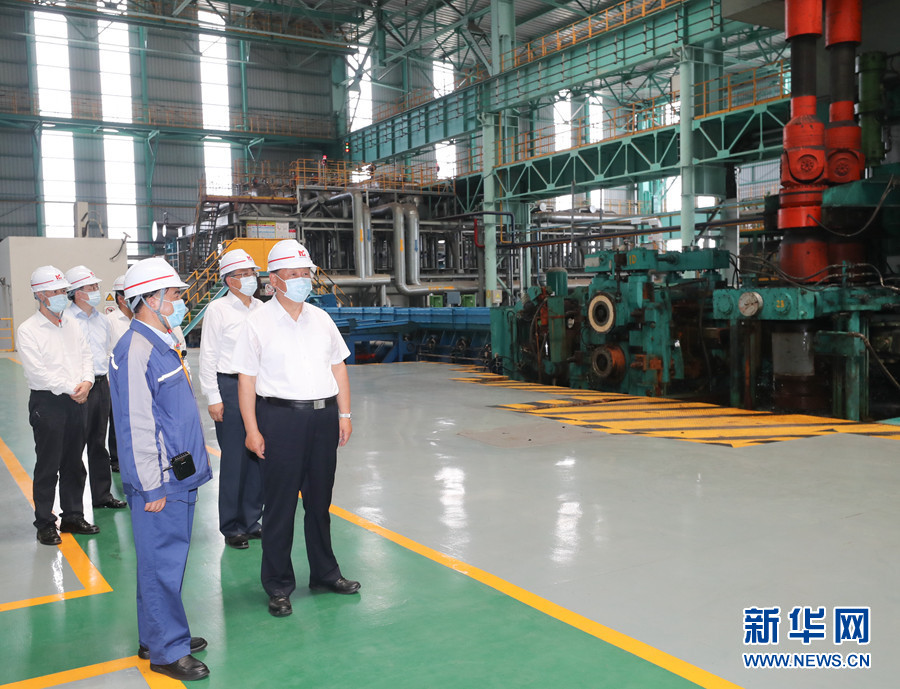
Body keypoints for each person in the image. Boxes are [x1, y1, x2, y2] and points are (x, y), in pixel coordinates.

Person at [231, 239, 358, 618]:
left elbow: (338, 366)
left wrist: (345, 414)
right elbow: (246, 380)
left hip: (323, 418)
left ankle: (325, 573)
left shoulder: (321, 318)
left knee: (319, 502)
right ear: (274, 280)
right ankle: (278, 584)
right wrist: (252, 430)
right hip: (280, 419)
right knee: (281, 506)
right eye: (294, 274)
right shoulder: (257, 322)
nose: (303, 279)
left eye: (306, 273)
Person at [109, 257, 212, 681]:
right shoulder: (136, 350)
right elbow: (135, 423)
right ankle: (167, 650)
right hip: (161, 480)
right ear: (149, 299)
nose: (179, 301)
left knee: (162, 560)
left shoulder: (162, 340)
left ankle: (157, 634)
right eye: (173, 295)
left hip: (178, 473)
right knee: (162, 563)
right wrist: (150, 486)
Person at [17, 266, 99, 545]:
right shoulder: (28, 330)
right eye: (55, 291)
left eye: (63, 291)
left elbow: (86, 356)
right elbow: (37, 373)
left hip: (78, 399)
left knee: (74, 463)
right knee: (48, 465)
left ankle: (73, 515)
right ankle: (45, 523)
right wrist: (73, 388)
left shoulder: (72, 324)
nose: (62, 296)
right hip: (48, 403)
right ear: (40, 295)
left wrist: (87, 381)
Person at [198, 249, 264, 549]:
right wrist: (213, 396)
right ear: (229, 280)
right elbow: (208, 355)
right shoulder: (218, 309)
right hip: (230, 385)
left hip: (260, 387)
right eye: (244, 274)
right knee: (235, 458)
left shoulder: (262, 308)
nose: (251, 278)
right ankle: (232, 525)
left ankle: (251, 519)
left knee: (258, 455)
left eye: (252, 273)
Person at [63, 266, 126, 510]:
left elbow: (108, 351)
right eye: (91, 287)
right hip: (77, 389)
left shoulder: (103, 321)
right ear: (77, 292)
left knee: (99, 444)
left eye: (96, 286)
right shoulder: (66, 320)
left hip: (101, 386)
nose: (96, 291)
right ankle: (73, 508)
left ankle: (102, 496)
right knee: (74, 447)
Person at [105, 274, 132, 473]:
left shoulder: (141, 318)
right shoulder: (110, 321)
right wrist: (110, 379)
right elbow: (106, 351)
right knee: (117, 420)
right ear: (121, 298)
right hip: (117, 378)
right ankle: (116, 458)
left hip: (139, 377)